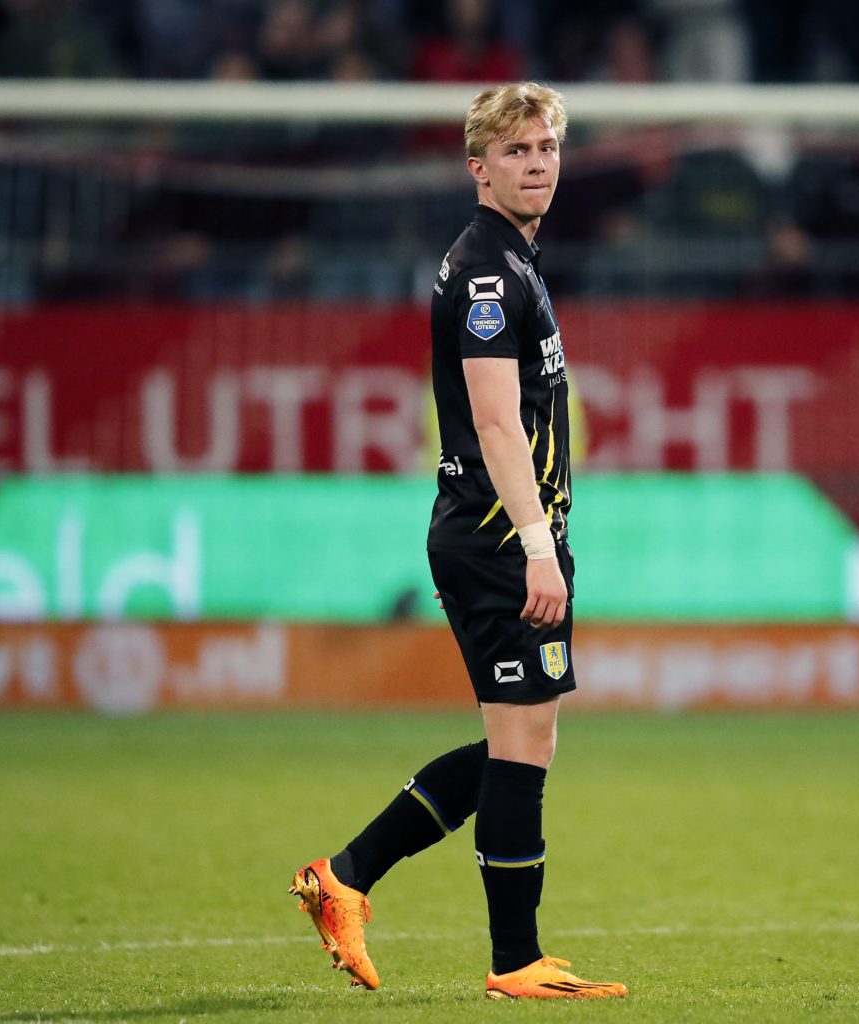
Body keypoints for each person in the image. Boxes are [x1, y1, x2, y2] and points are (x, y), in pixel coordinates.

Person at [289, 81, 627, 1002]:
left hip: (502, 535)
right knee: (521, 750)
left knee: (523, 747)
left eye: (548, 148)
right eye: (517, 152)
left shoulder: (516, 261)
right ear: (478, 168)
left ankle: (345, 876)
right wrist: (534, 542)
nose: (537, 164)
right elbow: (493, 418)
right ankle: (512, 959)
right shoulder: (486, 269)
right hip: (493, 539)